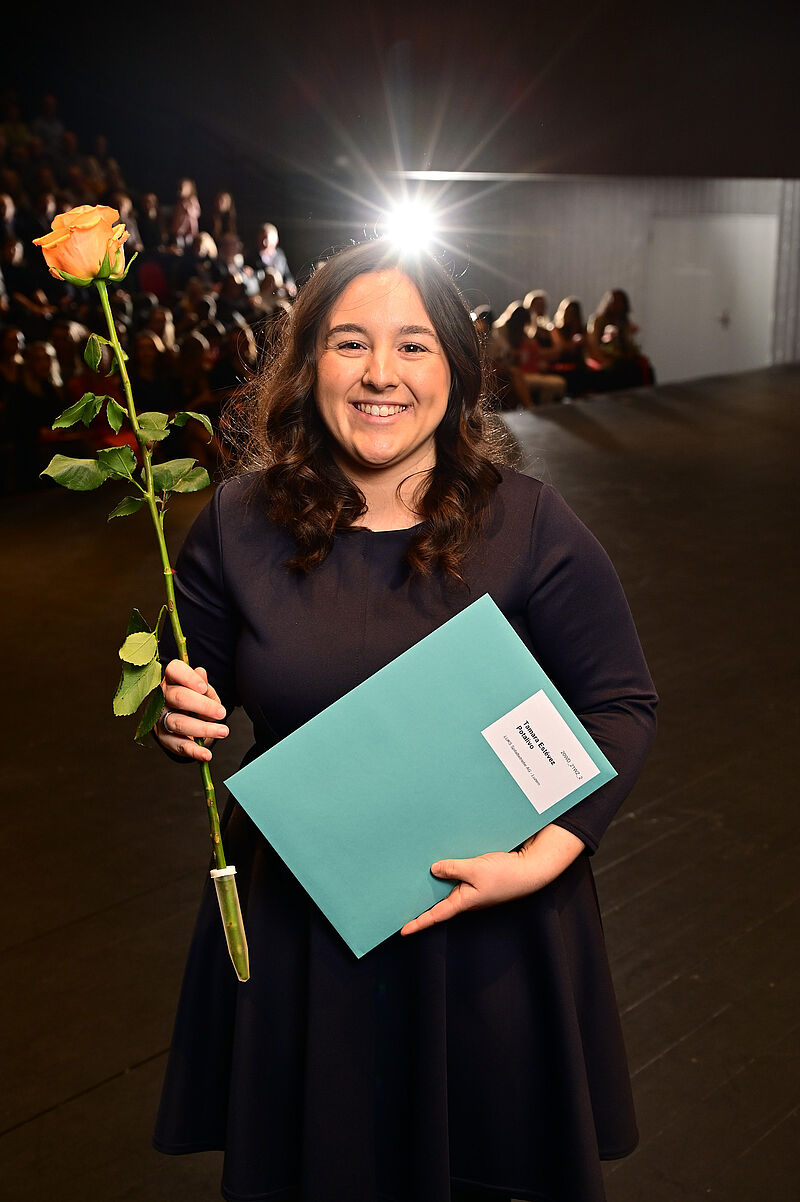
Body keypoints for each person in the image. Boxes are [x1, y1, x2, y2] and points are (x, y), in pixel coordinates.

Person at [152, 238, 657, 1202]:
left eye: (413, 345)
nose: (380, 372)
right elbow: (193, 696)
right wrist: (176, 715)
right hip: (305, 922)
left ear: (455, 372)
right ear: (308, 366)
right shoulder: (235, 523)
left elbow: (621, 704)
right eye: (351, 342)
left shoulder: (531, 524)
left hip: (490, 935)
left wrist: (541, 860)